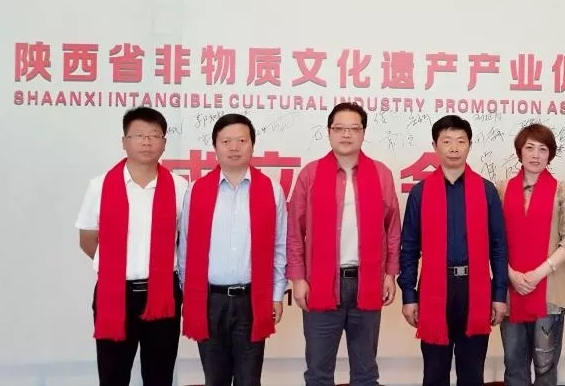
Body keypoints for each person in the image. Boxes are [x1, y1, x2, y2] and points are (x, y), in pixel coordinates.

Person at [287, 102, 401, 386]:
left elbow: (392, 228)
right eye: (339, 128)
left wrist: (390, 274)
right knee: (318, 373)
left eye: (354, 128)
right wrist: (298, 279)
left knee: (365, 374)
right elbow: (294, 232)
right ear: (329, 132)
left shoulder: (381, 173)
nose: (346, 134)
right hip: (321, 283)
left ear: (363, 133)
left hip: (368, 281)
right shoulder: (311, 174)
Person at [75, 107, 188, 386]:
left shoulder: (180, 187)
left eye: (154, 135)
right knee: (113, 376)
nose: (146, 141)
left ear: (164, 142)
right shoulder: (100, 185)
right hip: (115, 294)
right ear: (124, 141)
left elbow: (185, 240)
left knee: (159, 376)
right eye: (138, 135)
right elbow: (88, 238)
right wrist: (115, 267)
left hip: (163, 294)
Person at [398, 115, 509, 386]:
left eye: (461, 141)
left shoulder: (486, 191)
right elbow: (409, 248)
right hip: (435, 289)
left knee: (472, 373)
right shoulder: (421, 193)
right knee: (434, 373)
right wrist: (409, 296)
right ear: (435, 146)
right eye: (446, 141)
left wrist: (499, 295)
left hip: (476, 288)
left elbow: (498, 246)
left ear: (470, 145)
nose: (454, 148)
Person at [178, 113, 288, 386]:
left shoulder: (271, 190)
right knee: (214, 379)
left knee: (249, 380)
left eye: (241, 140)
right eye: (226, 141)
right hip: (209, 301)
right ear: (215, 146)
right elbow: (186, 248)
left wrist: (276, 295)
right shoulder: (197, 190)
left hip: (252, 300)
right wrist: (189, 295)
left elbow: (279, 246)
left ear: (252, 145)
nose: (234, 147)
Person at [498, 124, 565, 386]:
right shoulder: (502, 189)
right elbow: (493, 240)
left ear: (550, 154)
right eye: (530, 148)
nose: (536, 155)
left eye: (543, 149)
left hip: (549, 292)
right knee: (513, 364)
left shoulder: (561, 190)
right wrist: (512, 274)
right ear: (519, 152)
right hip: (511, 290)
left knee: (545, 366)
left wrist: (537, 273)